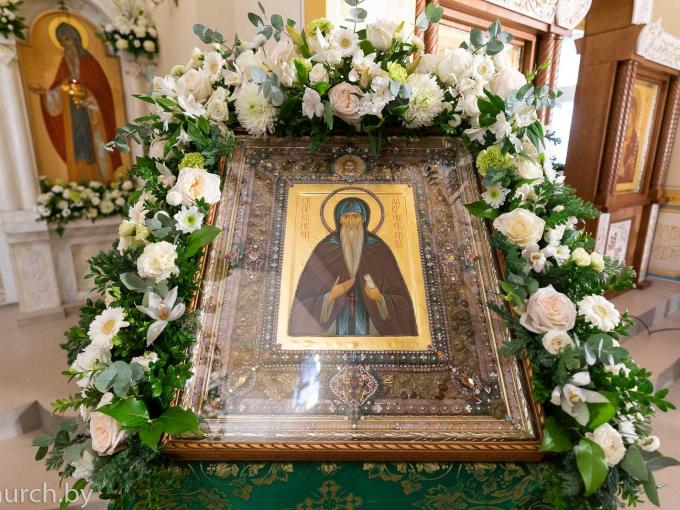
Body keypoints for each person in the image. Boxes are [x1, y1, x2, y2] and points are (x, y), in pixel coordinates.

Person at [289, 197, 417, 337]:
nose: (350, 223)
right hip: (332, 329)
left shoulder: (378, 250)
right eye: (346, 217)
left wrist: (380, 298)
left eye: (355, 217)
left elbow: (402, 302)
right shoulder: (325, 249)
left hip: (373, 329)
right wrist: (330, 297)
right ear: (339, 220)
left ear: (363, 220)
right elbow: (302, 303)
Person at [29, 22, 121, 182]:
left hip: (92, 113)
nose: (65, 45)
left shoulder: (89, 61)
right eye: (61, 42)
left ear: (76, 39)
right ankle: (82, 177)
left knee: (93, 145)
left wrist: (89, 97)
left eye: (67, 40)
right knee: (78, 147)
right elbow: (59, 85)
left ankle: (102, 178)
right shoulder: (65, 61)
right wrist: (47, 93)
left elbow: (102, 90)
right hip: (72, 114)